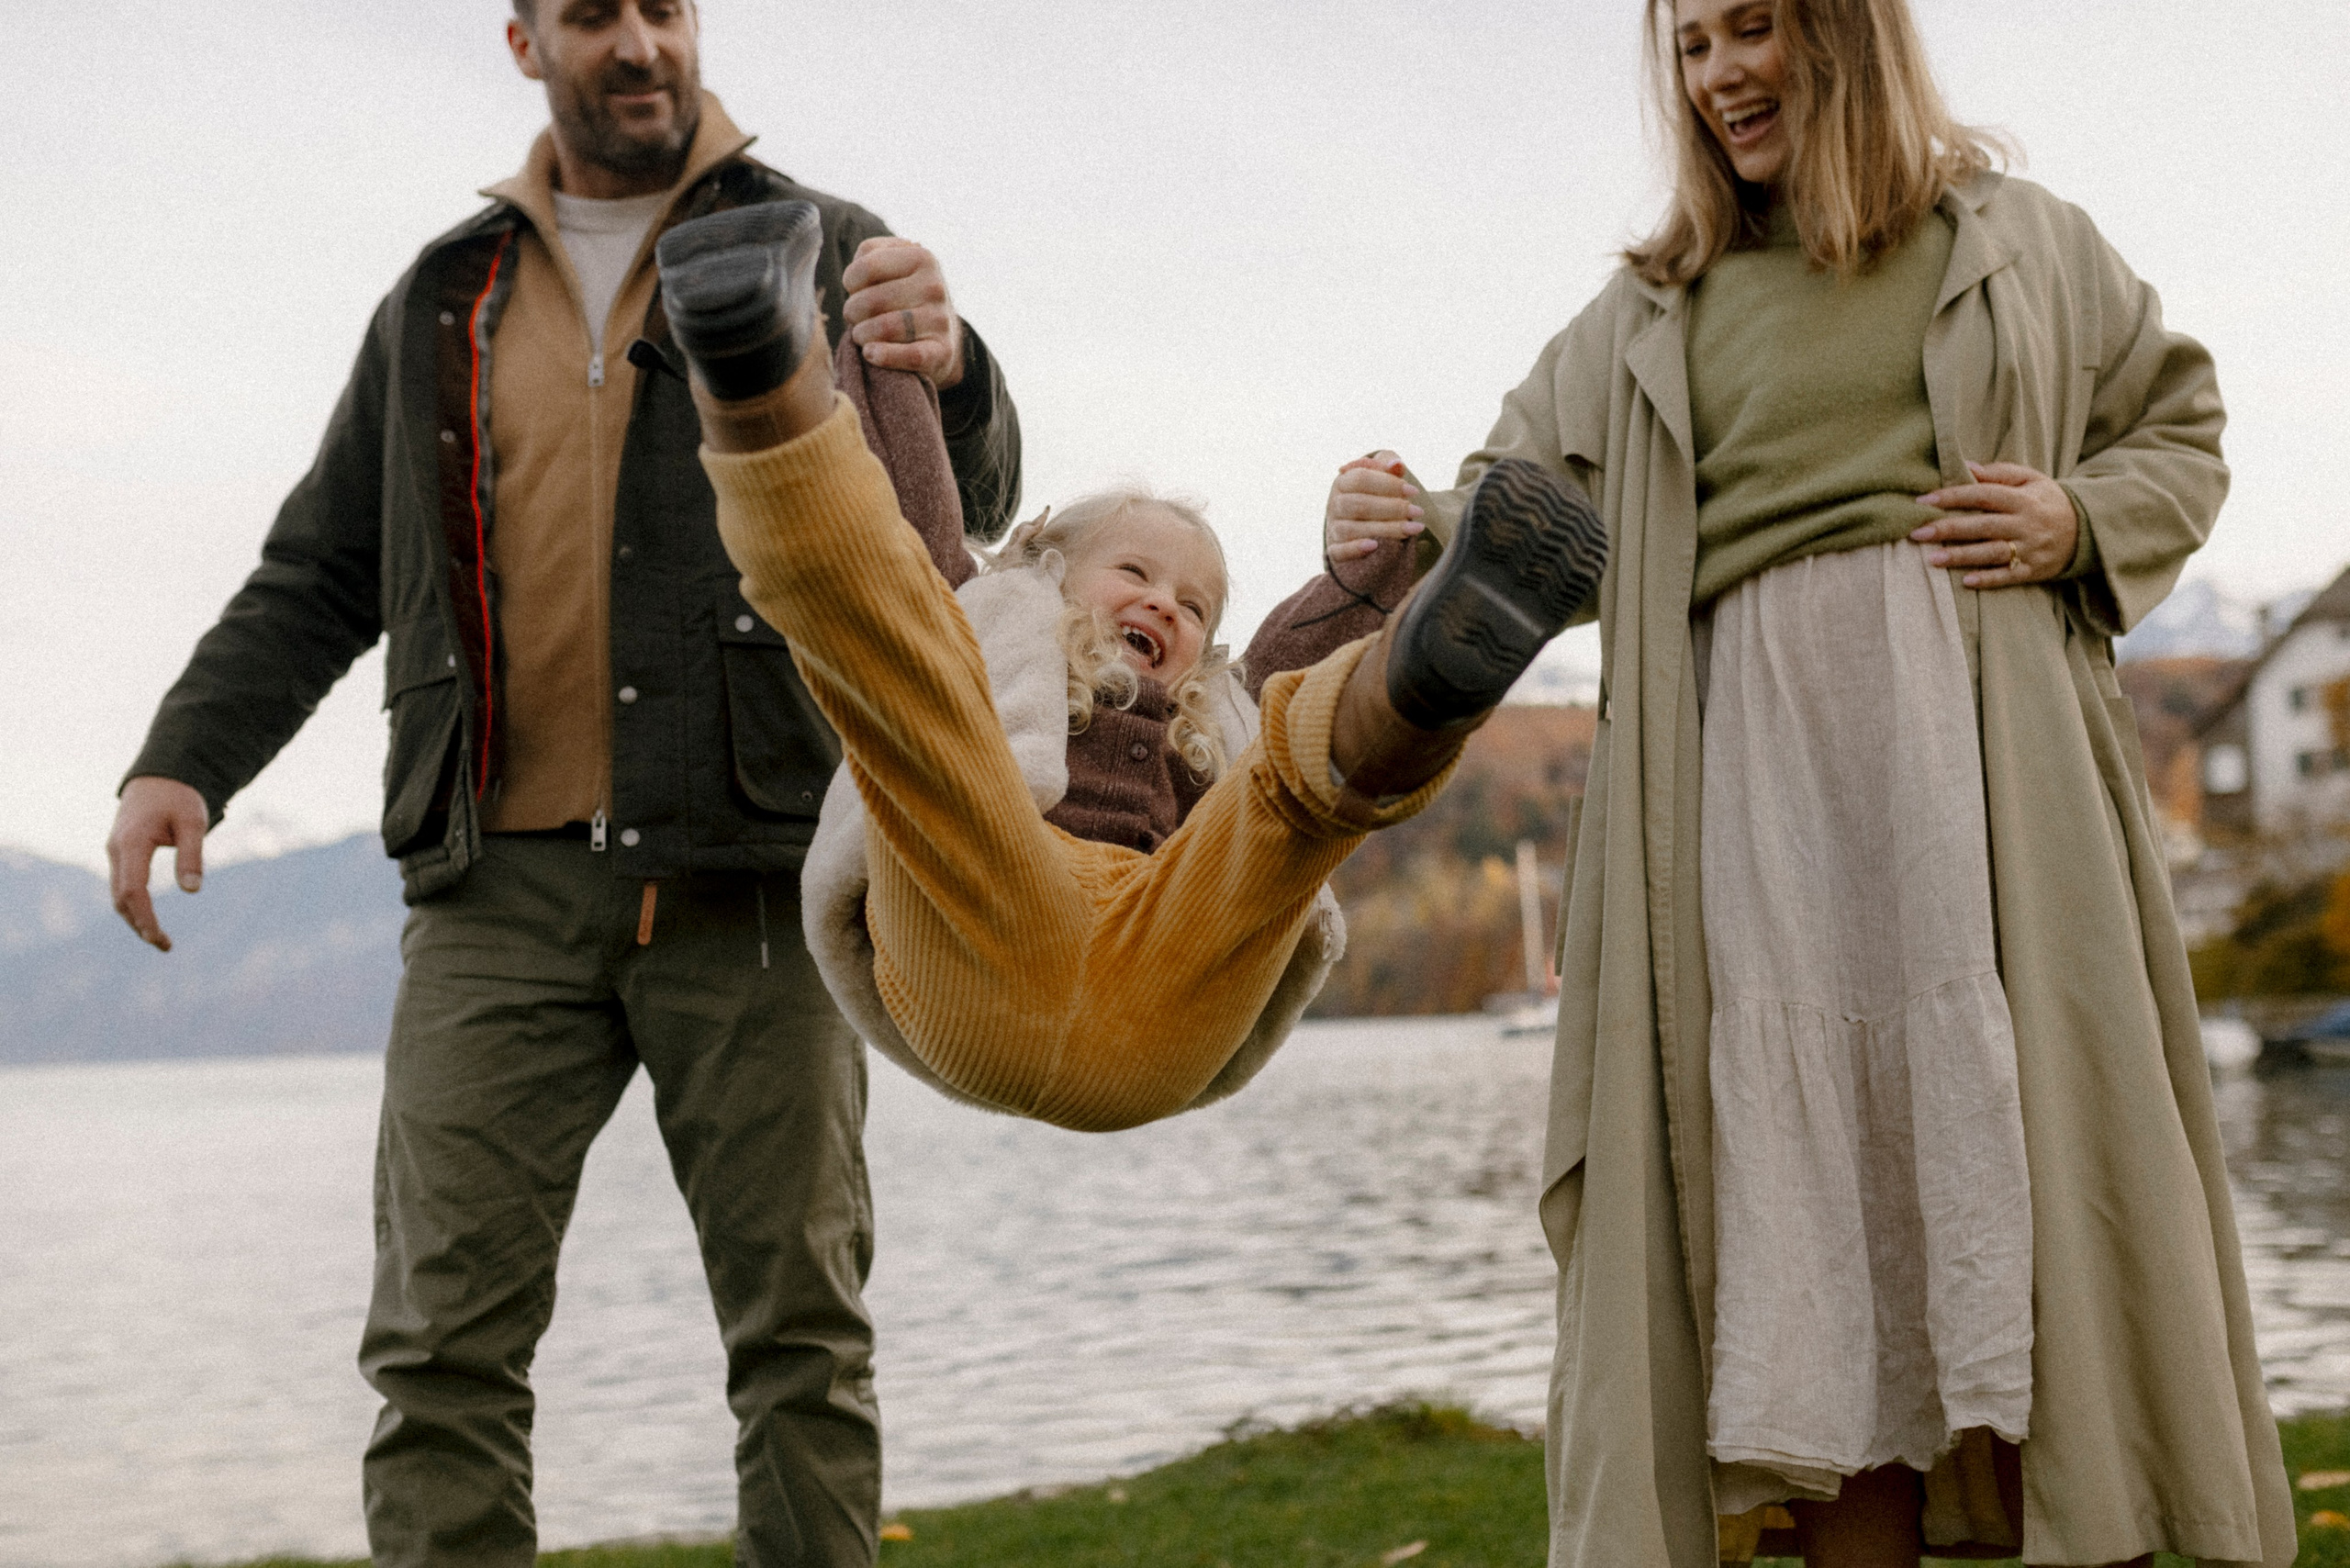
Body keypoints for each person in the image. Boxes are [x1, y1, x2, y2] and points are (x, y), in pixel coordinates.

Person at [1324, 1, 2294, 1563]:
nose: (1719, 75)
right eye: (1691, 46)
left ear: (1844, 33)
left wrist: (2083, 520)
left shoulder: (2022, 239)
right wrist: (1394, 518)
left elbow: (2175, 422)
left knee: (2025, 1171)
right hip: (1746, 789)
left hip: (1985, 773)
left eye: (1752, 29)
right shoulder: (1652, 308)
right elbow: (1511, 512)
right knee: (1810, 1212)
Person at [103, 4, 1018, 1563]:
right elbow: (323, 564)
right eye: (596, 13)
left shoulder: (828, 241)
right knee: (440, 1349)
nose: (641, 42)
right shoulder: (440, 298)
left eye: (666, 7)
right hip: (494, 891)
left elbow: (970, 501)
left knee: (802, 1340)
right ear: (526, 42)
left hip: (762, 874)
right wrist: (184, 756)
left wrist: (963, 364)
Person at [657, 198, 1607, 1134]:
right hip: (981, 929)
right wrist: (893, 365)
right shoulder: (996, 620)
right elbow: (908, 534)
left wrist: (1375, 567)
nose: (1166, 604)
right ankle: (763, 387)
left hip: (1168, 968)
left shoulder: (1209, 711)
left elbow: (1296, 656)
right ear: (1046, 567)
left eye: (1196, 606)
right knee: (904, 677)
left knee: (1290, 785)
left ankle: (1431, 676)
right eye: (1136, 573)